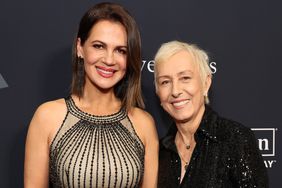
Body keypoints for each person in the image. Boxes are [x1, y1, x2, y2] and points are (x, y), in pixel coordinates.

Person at [24, 2, 158, 188]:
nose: (109, 60)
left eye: (121, 50)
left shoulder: (143, 124)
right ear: (80, 47)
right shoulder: (47, 117)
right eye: (99, 46)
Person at [154, 40, 268, 187]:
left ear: (206, 83)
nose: (175, 91)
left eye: (185, 78)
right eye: (165, 82)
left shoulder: (235, 139)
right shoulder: (160, 152)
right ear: (158, 92)